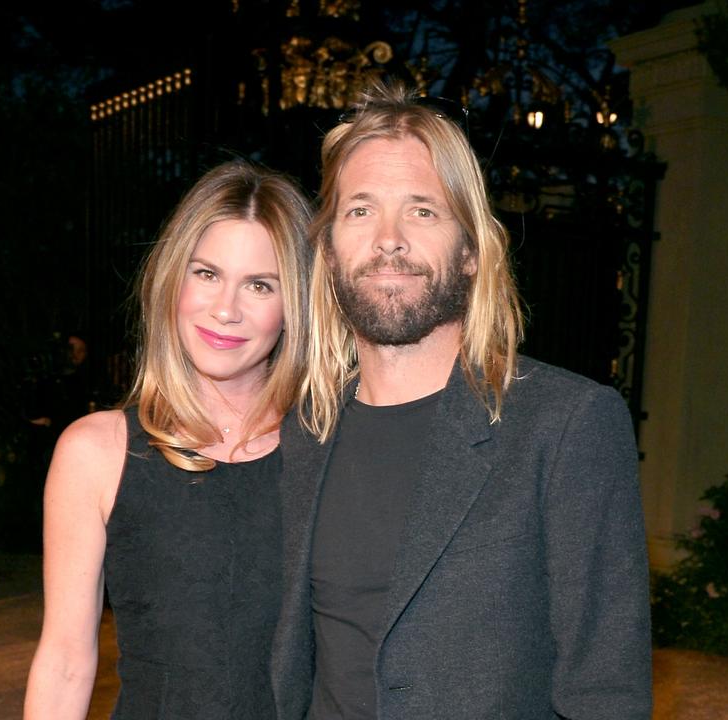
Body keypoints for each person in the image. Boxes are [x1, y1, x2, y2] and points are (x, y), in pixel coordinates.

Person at [269, 80, 653, 719]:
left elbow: (605, 693)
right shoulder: (297, 432)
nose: (388, 238)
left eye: (422, 210)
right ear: (328, 249)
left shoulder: (565, 426)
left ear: (471, 249)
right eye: (359, 210)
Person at [24, 160, 312, 719]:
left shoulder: (331, 448)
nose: (225, 309)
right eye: (206, 273)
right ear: (171, 279)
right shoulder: (96, 452)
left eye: (259, 285)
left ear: (295, 305)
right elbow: (64, 660)